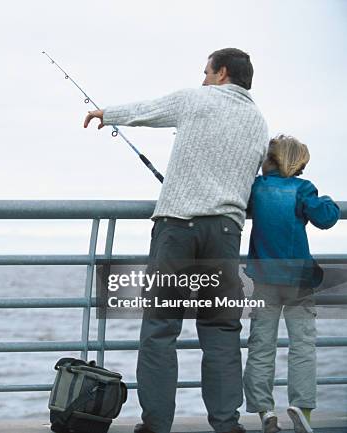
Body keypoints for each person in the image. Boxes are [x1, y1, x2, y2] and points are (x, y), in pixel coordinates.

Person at [84, 48, 268, 433]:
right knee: (221, 331)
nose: (202, 78)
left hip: (177, 230)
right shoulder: (258, 121)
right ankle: (226, 423)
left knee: (161, 329)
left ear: (221, 73)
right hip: (225, 234)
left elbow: (149, 110)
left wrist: (107, 114)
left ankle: (156, 425)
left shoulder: (196, 98)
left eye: (205, 71)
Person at [243, 135, 340, 433]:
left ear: (270, 161)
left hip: (264, 281)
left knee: (261, 346)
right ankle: (303, 412)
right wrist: (325, 202)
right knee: (303, 347)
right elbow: (326, 218)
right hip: (299, 281)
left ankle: (265, 412)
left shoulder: (256, 188)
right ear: (297, 164)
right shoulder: (302, 189)